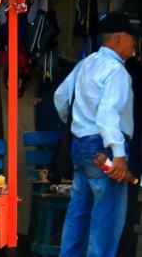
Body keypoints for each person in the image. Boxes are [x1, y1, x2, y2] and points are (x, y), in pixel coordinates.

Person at [55, 13, 138, 257]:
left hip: (81, 147)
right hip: (105, 149)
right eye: (133, 39)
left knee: (79, 212)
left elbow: (60, 97)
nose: (135, 45)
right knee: (106, 218)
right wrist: (119, 155)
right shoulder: (117, 72)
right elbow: (107, 114)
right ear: (119, 39)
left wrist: (78, 124)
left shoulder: (86, 63)